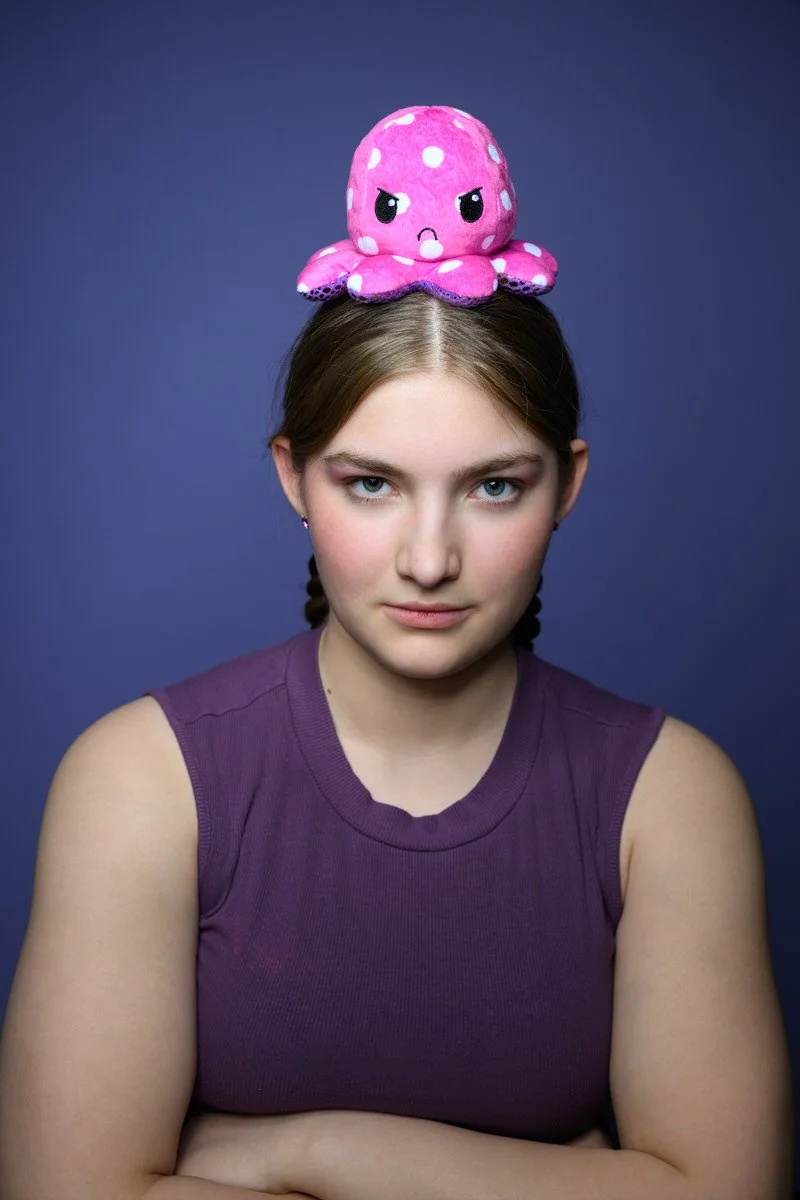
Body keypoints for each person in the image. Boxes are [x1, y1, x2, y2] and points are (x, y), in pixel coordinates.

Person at [0, 105, 793, 1200]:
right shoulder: (139, 783)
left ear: (567, 483)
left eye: (493, 486)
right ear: (293, 477)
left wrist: (308, 1153)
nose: (429, 558)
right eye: (369, 483)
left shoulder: (669, 799)